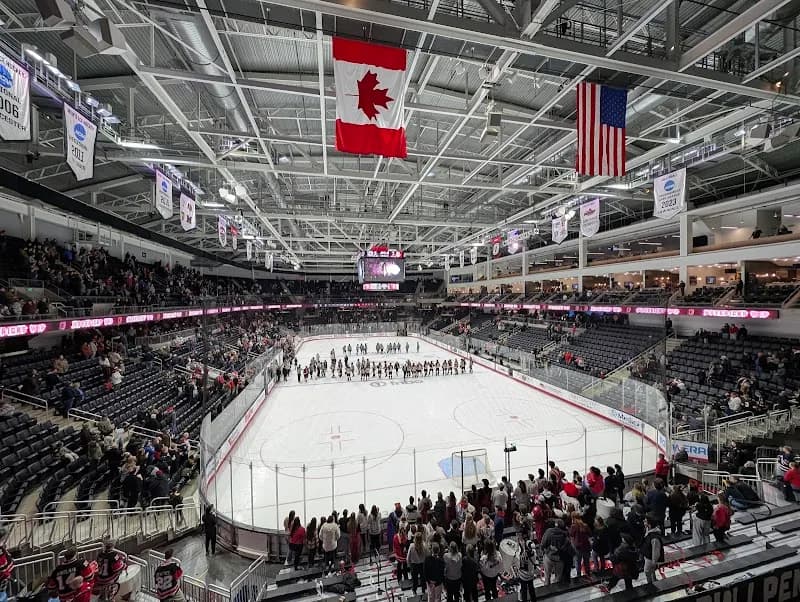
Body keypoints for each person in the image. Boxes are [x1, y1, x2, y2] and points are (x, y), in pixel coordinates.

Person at [641, 515, 664, 585]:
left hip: (650, 558)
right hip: (647, 555)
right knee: (651, 571)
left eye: (645, 521)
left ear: (649, 525)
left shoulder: (654, 538)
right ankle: (654, 580)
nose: (644, 522)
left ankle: (650, 584)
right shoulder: (648, 531)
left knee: (647, 571)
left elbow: (656, 551)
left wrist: (654, 562)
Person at [407, 531, 428, 596]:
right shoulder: (424, 545)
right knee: (423, 579)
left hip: (414, 565)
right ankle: (423, 591)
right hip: (422, 564)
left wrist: (409, 565)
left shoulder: (412, 546)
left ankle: (414, 591)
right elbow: (427, 556)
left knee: (415, 580)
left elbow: (408, 557)